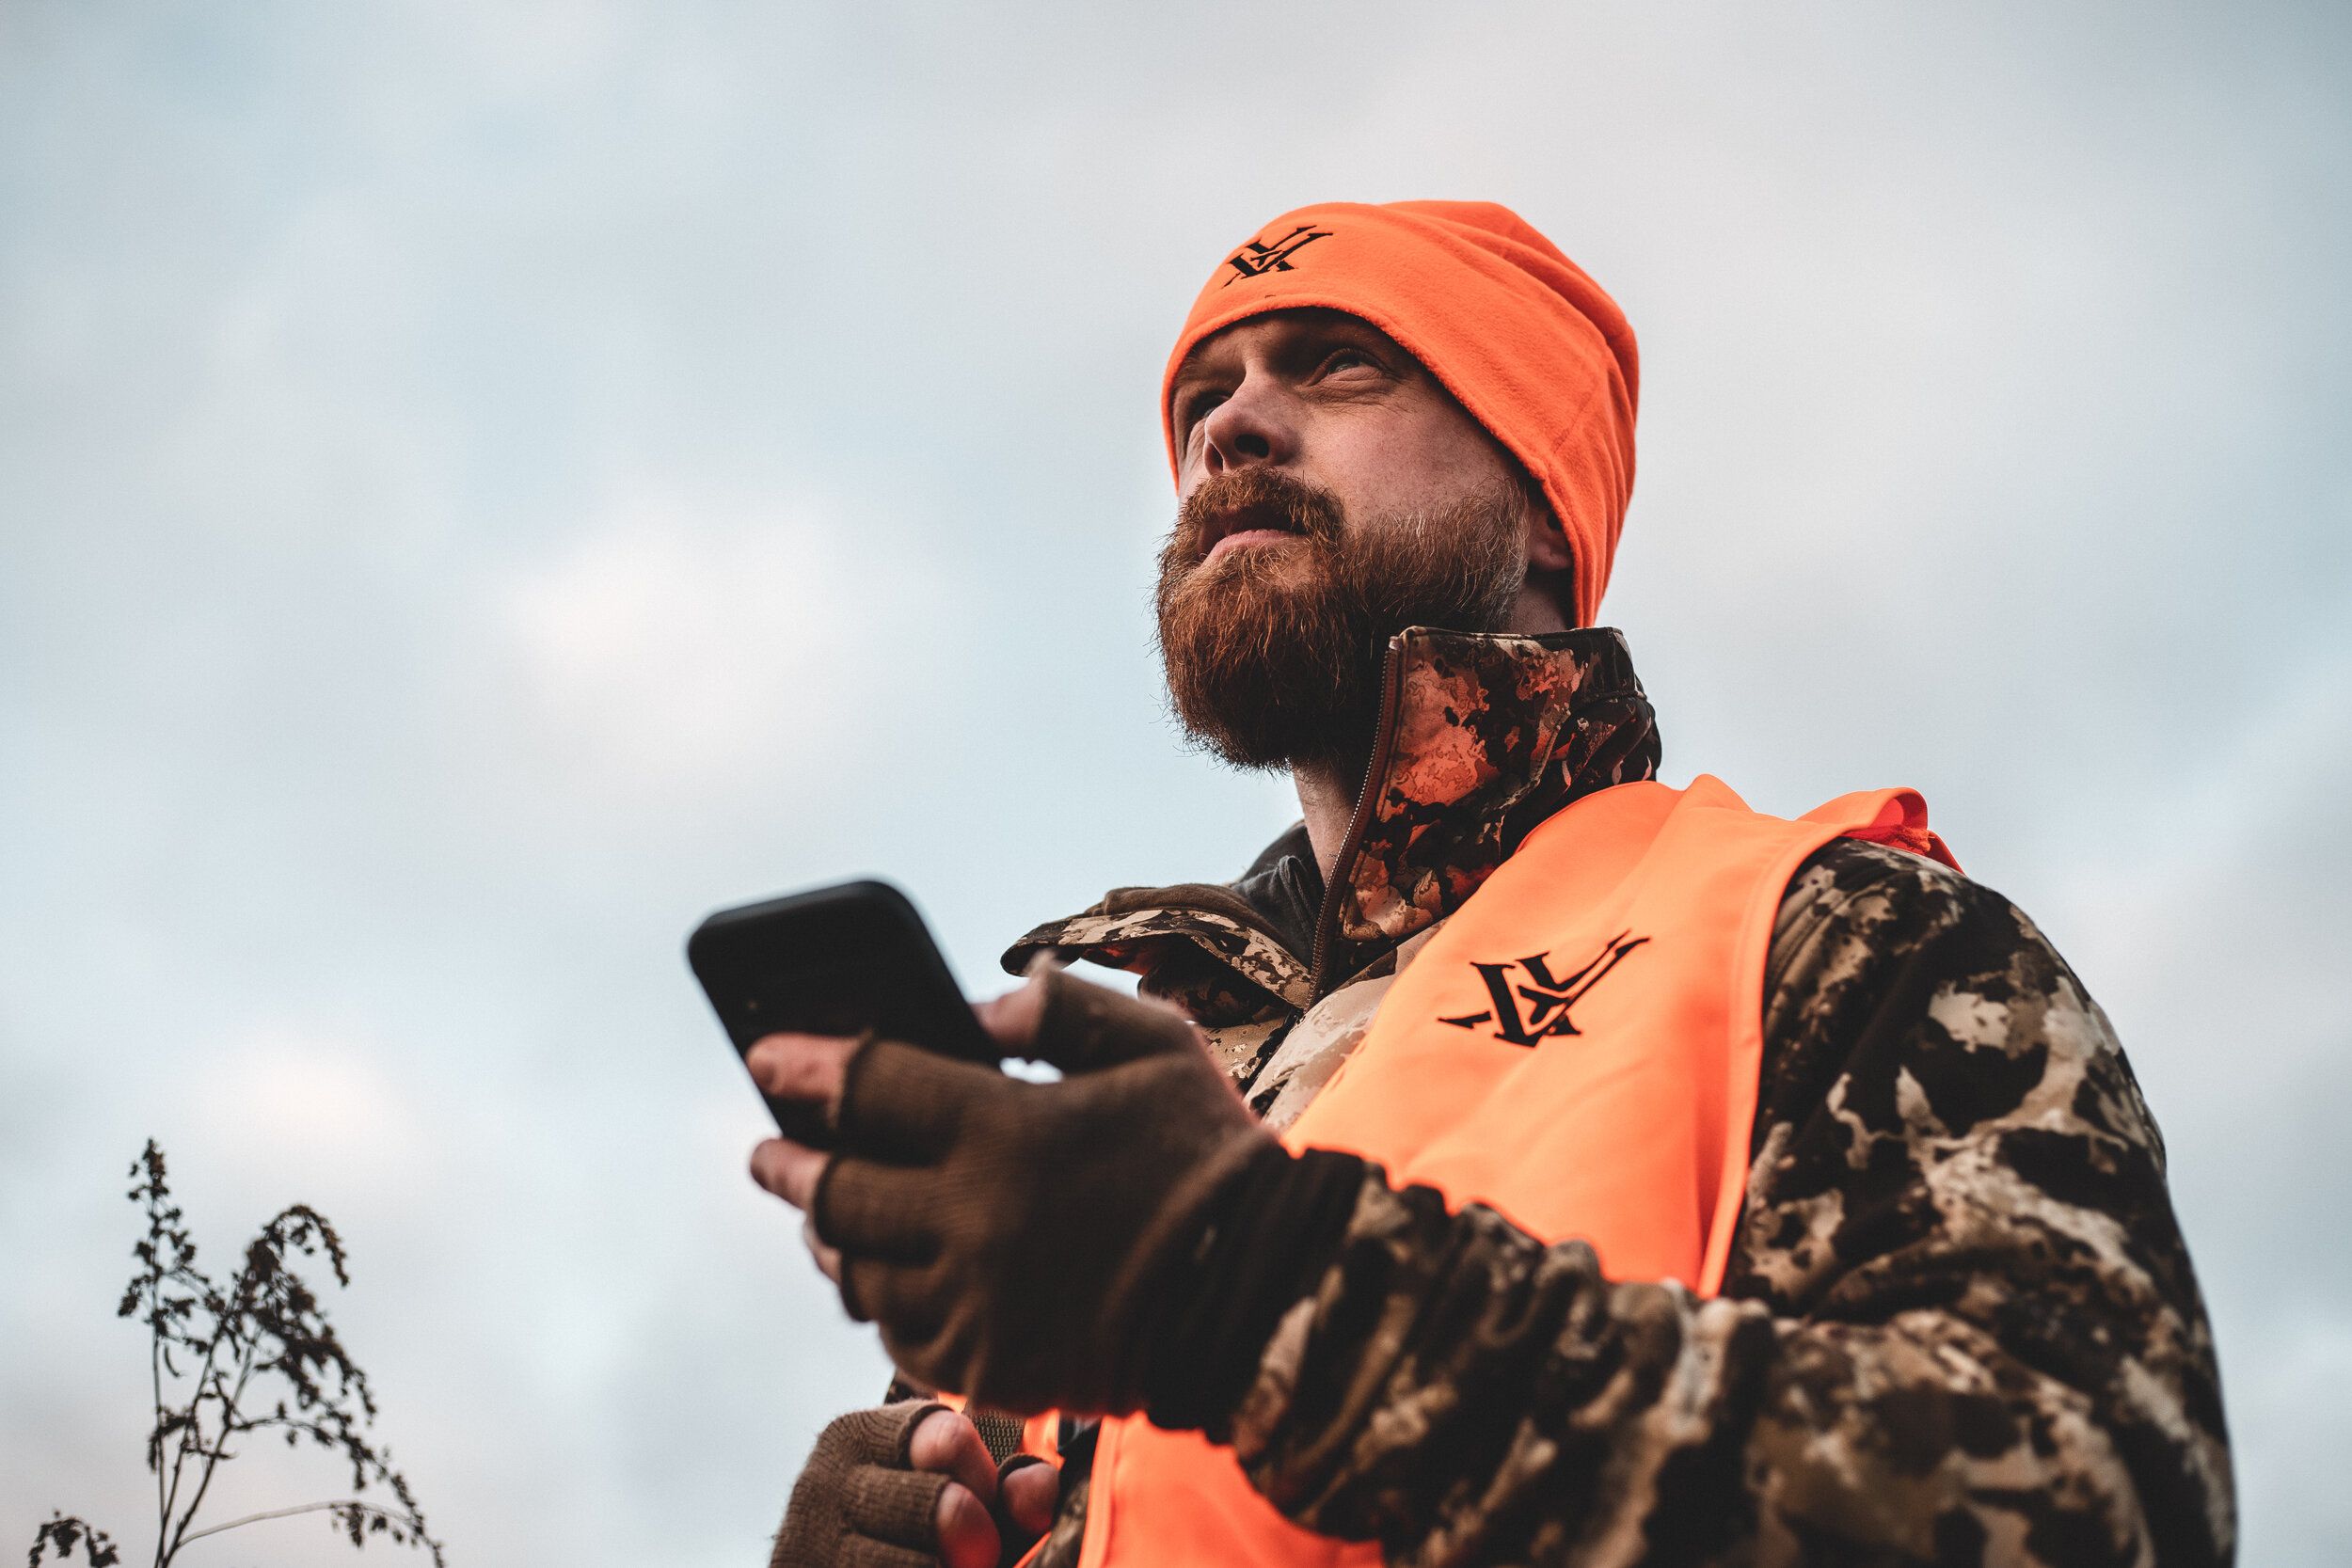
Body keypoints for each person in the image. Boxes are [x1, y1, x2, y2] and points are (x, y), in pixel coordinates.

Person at [745, 201, 2233, 1568]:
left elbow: (2091, 1506)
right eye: (1204, 401)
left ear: (1536, 503)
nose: (1231, 428)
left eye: (1332, 369)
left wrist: (1253, 1292)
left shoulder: (1832, 939)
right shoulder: (1121, 1093)